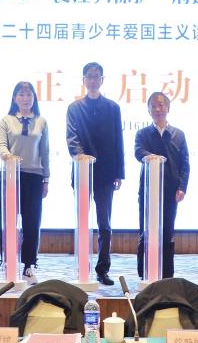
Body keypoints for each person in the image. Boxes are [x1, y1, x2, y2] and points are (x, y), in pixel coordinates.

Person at [66, 62, 124, 286]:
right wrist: (81, 157)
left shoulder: (113, 107)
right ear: (83, 80)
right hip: (82, 171)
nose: (92, 80)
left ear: (102, 80)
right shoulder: (74, 108)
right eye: (89, 76)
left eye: (96, 76)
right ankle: (82, 267)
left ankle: (102, 269)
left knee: (104, 224)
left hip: (106, 173)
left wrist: (119, 172)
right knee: (82, 222)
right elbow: (72, 137)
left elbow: (118, 141)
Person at [0, 81, 50, 285]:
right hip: (11, 176)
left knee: (32, 223)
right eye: (21, 94)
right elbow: (1, 146)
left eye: (29, 95)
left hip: (34, 177)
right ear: (14, 98)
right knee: (8, 222)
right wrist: (8, 157)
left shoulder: (41, 121)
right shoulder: (6, 120)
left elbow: (45, 151)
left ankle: (29, 266)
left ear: (34, 98)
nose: (25, 98)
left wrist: (46, 178)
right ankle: (9, 262)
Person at [134, 92, 189, 279]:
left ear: (168, 108)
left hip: (170, 192)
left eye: (161, 105)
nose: (158, 109)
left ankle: (167, 275)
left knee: (167, 232)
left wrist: (182, 187)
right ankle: (145, 273)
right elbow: (138, 152)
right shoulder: (142, 134)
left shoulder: (178, 134)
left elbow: (185, 164)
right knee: (146, 232)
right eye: (154, 106)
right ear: (148, 110)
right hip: (148, 192)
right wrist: (151, 157)